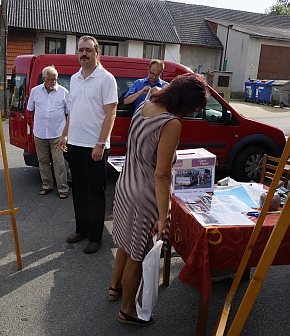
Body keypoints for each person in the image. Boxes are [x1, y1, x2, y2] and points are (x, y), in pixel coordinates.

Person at [108, 73, 209, 325]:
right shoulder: (171, 123)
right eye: (192, 108)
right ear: (185, 101)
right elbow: (162, 174)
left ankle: (114, 287)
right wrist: (164, 217)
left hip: (125, 186)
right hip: (145, 197)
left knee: (124, 242)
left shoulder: (145, 104)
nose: (190, 113)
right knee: (138, 254)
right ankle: (127, 311)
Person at [59, 36, 118, 254]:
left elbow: (111, 113)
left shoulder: (106, 78)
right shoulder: (74, 78)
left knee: (96, 193)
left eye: (88, 50)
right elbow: (72, 110)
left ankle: (95, 237)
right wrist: (65, 134)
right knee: (80, 191)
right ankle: (82, 229)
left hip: (95, 146)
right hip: (75, 143)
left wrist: (101, 144)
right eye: (81, 50)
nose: (84, 54)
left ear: (97, 53)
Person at [27, 65, 70, 199]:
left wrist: (65, 134)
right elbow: (31, 109)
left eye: (55, 79)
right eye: (51, 80)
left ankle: (63, 188)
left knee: (59, 162)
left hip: (57, 133)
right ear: (44, 79)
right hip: (40, 133)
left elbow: (69, 114)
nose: (53, 82)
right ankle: (47, 186)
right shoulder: (35, 91)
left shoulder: (63, 92)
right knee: (43, 161)